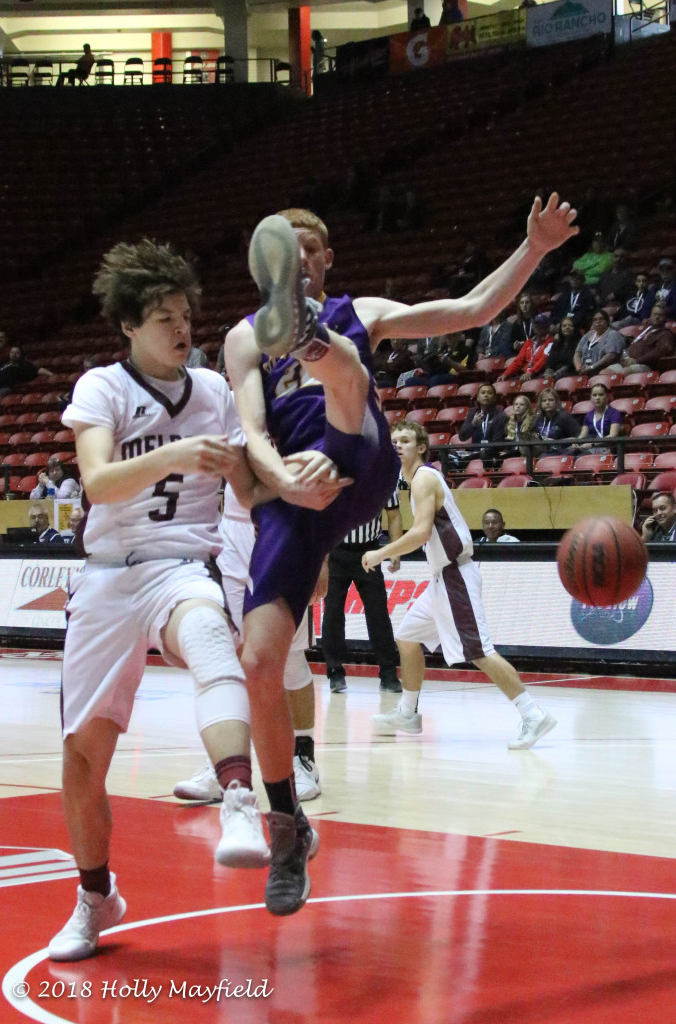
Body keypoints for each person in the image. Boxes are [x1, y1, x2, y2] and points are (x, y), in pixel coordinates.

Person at [224, 194, 577, 915]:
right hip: (297, 491)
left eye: (308, 249)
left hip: (359, 457)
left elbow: (475, 308)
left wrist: (536, 247)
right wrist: (284, 476)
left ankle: (314, 343)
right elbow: (253, 432)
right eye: (282, 250)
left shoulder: (368, 309)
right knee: (259, 660)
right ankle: (287, 825)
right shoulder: (240, 339)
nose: (298, 257)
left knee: (347, 368)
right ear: (268, 265)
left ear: (324, 260)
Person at [47, 238, 303, 962]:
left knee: (212, 641)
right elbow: (97, 481)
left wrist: (293, 509)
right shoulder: (103, 387)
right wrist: (175, 455)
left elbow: (249, 489)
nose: (181, 327)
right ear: (128, 325)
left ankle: (238, 803)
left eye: (186, 314)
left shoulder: (217, 393)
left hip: (181, 563)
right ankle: (96, 896)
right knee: (82, 761)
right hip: (105, 575)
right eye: (163, 316)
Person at [364, 420, 556, 748]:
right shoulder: (412, 481)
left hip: (455, 576)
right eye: (394, 440)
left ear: (421, 447)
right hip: (441, 579)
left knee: (479, 651)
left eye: (405, 440)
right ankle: (408, 713)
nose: (398, 445)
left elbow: (422, 532)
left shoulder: (424, 478)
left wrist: (382, 550)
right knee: (407, 638)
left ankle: (533, 714)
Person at [173, 482, 324, 804]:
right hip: (232, 541)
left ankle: (303, 758)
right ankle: (226, 766)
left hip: (287, 534)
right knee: (231, 659)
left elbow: (325, 488)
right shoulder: (231, 431)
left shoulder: (300, 433)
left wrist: (322, 558)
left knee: (288, 661)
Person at [322, 490, 403, 695]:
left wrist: (395, 550)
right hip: (336, 550)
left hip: (369, 551)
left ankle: (388, 673)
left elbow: (393, 515)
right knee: (332, 612)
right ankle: (335, 670)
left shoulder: (385, 476)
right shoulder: (334, 471)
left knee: (378, 613)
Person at [608, 305, 675, 375]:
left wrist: (637, 361)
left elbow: (659, 352)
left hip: (645, 365)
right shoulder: (645, 331)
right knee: (605, 372)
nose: (656, 317)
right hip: (628, 362)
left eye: (660, 315)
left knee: (623, 373)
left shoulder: (665, 334)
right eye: (654, 314)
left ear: (665, 318)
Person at [498, 312, 553, 381]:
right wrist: (505, 374)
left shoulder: (551, 341)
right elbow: (518, 361)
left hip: (540, 374)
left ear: (546, 327)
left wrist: (530, 372)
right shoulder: (529, 343)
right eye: (536, 324)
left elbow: (543, 360)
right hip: (526, 375)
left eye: (541, 325)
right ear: (533, 327)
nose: (538, 327)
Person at [572, 309, 625, 374]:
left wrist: (592, 367)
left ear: (607, 322)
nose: (598, 321)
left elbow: (611, 356)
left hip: (606, 370)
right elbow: (577, 353)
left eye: (601, 319)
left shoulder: (613, 334)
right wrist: (578, 367)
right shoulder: (588, 335)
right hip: (586, 370)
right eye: (595, 320)